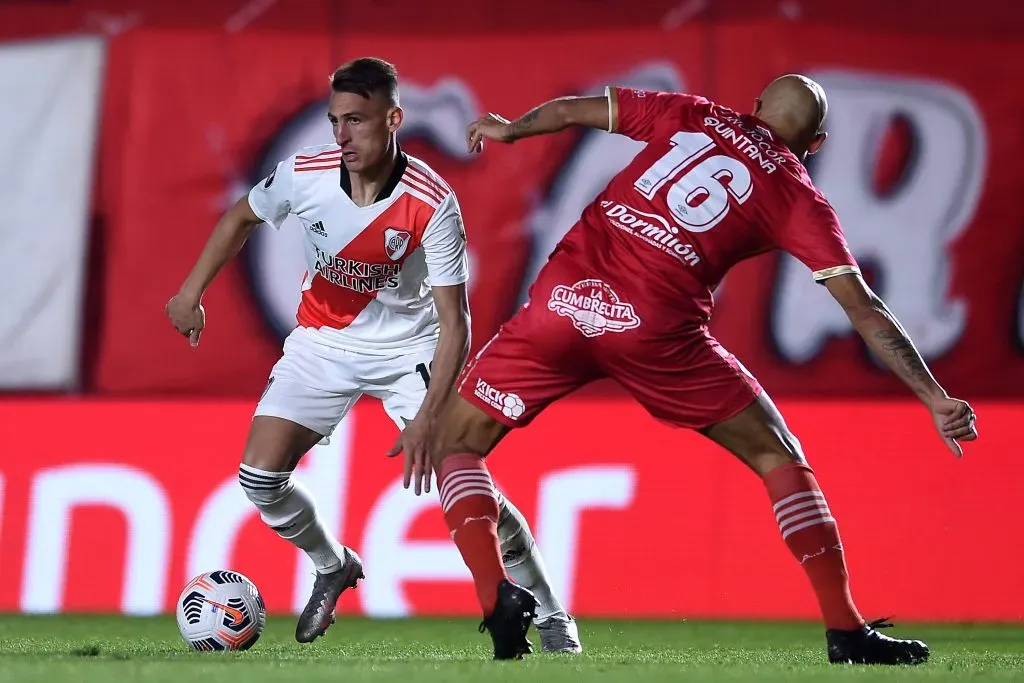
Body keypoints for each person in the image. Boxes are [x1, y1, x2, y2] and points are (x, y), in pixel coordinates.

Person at [420, 74, 978, 662]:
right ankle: (845, 631)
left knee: (457, 444)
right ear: (817, 143)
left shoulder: (689, 113)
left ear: (755, 105)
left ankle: (495, 596)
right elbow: (863, 309)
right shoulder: (796, 196)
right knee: (777, 455)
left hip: (563, 302)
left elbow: (568, 111)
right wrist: (934, 395)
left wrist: (511, 129)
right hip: (656, 333)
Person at [165, 57, 581, 653]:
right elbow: (241, 217)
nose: (342, 136)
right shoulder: (303, 174)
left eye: (356, 121)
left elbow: (454, 320)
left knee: (467, 483)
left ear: (394, 119)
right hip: (321, 343)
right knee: (259, 479)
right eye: (336, 120)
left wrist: (431, 416)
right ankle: (332, 565)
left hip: (408, 350)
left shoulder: (432, 201)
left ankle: (549, 612)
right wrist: (189, 294)